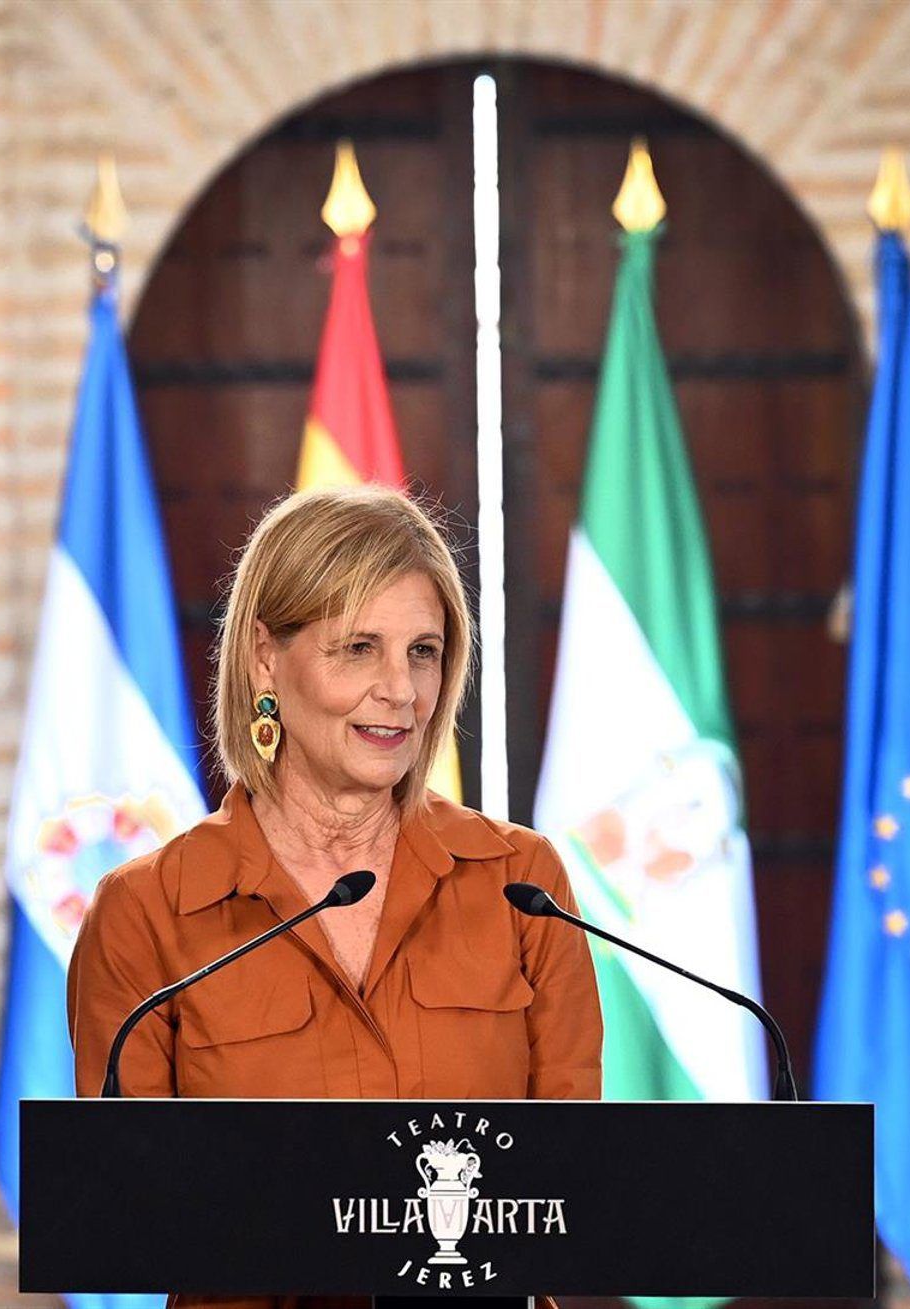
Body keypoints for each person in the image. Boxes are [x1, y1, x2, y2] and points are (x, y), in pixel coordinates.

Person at [67, 485, 604, 1309]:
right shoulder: (146, 911)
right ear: (265, 657)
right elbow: (129, 1211)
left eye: (423, 651)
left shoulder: (522, 884)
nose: (402, 689)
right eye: (358, 648)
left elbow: (571, 1188)